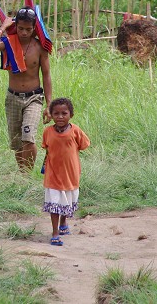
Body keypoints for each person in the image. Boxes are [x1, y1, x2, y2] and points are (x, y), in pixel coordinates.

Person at [0, 7, 52, 172]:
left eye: (28, 29)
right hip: (13, 97)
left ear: (34, 28)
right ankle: (22, 172)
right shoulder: (9, 43)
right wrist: (3, 27)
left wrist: (49, 104)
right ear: (16, 25)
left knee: (28, 138)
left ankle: (26, 176)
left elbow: (47, 75)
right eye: (21, 28)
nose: (24, 32)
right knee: (17, 142)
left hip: (34, 98)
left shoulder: (40, 47)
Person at [41, 97, 90, 246]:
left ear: (71, 115)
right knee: (55, 203)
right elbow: (47, 149)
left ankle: (63, 223)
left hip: (71, 174)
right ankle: (55, 233)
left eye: (64, 113)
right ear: (51, 115)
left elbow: (84, 145)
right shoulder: (48, 132)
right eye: (56, 114)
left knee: (66, 201)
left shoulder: (75, 131)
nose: (60, 117)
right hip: (53, 174)